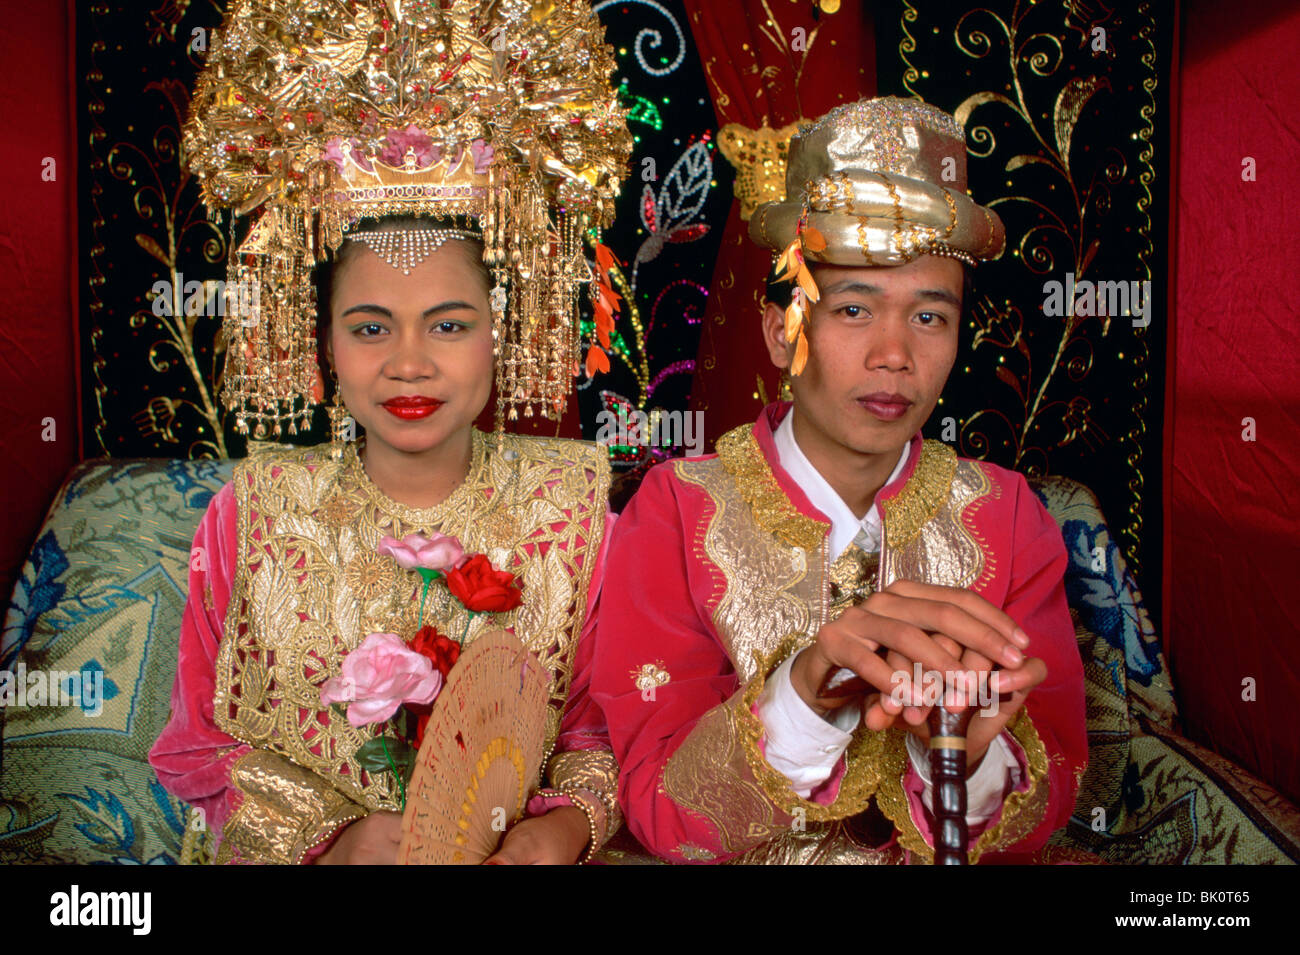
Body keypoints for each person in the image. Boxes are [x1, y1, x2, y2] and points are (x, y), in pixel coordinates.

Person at [148, 0, 631, 864]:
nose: (408, 364)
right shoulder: (251, 514)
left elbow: (606, 732)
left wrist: (558, 831)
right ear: (321, 338)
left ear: (500, 332)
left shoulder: (579, 513)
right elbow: (199, 750)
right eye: (371, 328)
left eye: (447, 325)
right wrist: (333, 839)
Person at [590, 97, 1088, 864]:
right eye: (854, 308)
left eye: (930, 317)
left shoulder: (1007, 515)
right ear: (781, 330)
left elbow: (1051, 799)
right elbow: (660, 811)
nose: (895, 354)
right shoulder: (678, 511)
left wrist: (962, 753)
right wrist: (807, 687)